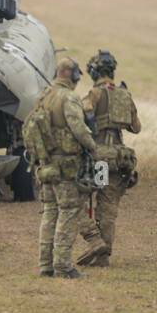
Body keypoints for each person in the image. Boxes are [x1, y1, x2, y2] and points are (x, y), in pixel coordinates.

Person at [27, 56, 98, 278]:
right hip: (66, 166)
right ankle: (63, 265)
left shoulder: (43, 96)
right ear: (72, 74)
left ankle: (45, 265)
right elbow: (78, 128)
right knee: (68, 212)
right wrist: (93, 146)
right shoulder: (68, 97)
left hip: (46, 165)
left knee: (49, 212)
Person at [77, 50, 141, 268]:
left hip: (100, 156)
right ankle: (104, 253)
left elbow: (82, 115)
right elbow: (136, 127)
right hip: (120, 158)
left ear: (94, 72)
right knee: (108, 205)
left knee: (77, 199)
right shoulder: (125, 94)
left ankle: (94, 241)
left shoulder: (95, 93)